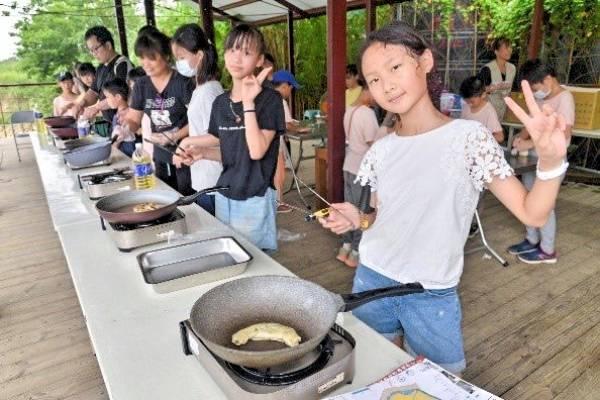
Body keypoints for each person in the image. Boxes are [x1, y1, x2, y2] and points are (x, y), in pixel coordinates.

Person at [319, 21, 568, 374]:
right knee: (373, 372)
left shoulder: (469, 138)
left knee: (440, 382)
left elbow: (533, 213)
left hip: (431, 291)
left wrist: (551, 162)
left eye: (395, 67)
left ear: (425, 62)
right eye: (373, 79)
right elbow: (376, 216)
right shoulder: (382, 149)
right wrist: (355, 219)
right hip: (372, 280)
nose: (385, 85)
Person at [176, 24, 285, 252]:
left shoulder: (270, 101)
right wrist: (200, 151)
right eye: (232, 50)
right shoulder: (220, 103)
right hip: (224, 195)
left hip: (254, 197)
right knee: (231, 255)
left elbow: (256, 151)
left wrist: (248, 103)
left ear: (259, 60)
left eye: (246, 52)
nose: (237, 58)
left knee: (256, 262)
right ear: (224, 55)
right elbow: (230, 150)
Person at [507, 59, 574, 264]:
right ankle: (531, 239)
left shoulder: (565, 98)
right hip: (533, 161)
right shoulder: (538, 99)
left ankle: (547, 250)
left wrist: (530, 146)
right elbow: (531, 124)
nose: (535, 93)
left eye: (535, 88)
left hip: (552, 162)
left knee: (545, 206)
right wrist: (521, 138)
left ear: (547, 79)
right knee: (528, 199)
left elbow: (564, 135)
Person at [124, 28, 195, 195]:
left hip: (186, 151)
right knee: (165, 194)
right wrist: (126, 127)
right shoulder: (141, 85)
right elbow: (134, 119)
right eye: (141, 58)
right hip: (160, 153)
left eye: (151, 58)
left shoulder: (183, 83)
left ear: (167, 56)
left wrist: (174, 136)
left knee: (186, 196)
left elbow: (198, 121)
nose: (145, 63)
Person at [171, 23, 224, 215]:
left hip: (213, 178)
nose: (179, 63)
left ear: (199, 55)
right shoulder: (201, 88)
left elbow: (219, 135)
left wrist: (186, 141)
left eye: (182, 57)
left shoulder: (209, 91)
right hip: (204, 173)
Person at [337, 87, 382, 268]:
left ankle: (345, 247)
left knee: (349, 208)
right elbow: (374, 144)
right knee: (362, 211)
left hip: (349, 165)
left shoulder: (349, 110)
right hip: (362, 170)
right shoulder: (367, 114)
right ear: (367, 91)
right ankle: (355, 252)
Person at [73, 26, 133, 125]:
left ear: (108, 45)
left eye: (95, 49)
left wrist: (96, 108)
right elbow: (93, 92)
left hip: (124, 122)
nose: (93, 54)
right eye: (91, 51)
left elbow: (118, 96)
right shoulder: (101, 68)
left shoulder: (122, 64)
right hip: (110, 123)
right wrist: (80, 104)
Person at [270, 70, 308, 213]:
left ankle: (272, 202)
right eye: (291, 86)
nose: (291, 90)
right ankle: (279, 203)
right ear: (285, 85)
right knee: (279, 174)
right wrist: (299, 129)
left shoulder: (264, 97)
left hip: (263, 144)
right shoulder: (280, 101)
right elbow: (286, 124)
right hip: (274, 143)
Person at [478, 38, 516, 121]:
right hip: (487, 112)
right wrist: (496, 87)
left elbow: (513, 91)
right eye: (506, 48)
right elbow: (479, 91)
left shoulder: (512, 68)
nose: (509, 50)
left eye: (510, 47)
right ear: (496, 51)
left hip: (504, 112)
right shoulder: (487, 68)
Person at [459, 76, 504, 143]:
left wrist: (480, 138)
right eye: (466, 101)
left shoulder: (489, 111)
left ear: (483, 95)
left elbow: (500, 137)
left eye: (471, 102)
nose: (469, 104)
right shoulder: (466, 106)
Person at [102, 78, 136, 157]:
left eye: (107, 97)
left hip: (129, 157)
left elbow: (116, 142)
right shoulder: (116, 115)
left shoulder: (129, 114)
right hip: (120, 155)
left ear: (118, 97)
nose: (106, 100)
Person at [126, 67, 153, 156]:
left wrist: (141, 130)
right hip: (146, 145)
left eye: (135, 87)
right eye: (132, 87)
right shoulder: (136, 102)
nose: (134, 91)